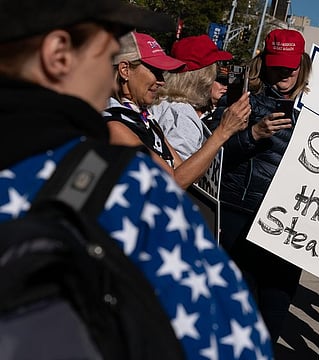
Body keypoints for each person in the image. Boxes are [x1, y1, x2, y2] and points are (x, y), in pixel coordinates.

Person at [0, 2, 273, 359]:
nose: (111, 73)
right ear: (58, 55)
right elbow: (236, 342)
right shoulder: (129, 184)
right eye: (107, 55)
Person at [209, 28, 312, 343]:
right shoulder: (241, 99)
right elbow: (211, 151)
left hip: (291, 225)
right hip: (239, 213)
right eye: (278, 64)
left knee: (274, 310)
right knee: (234, 308)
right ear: (264, 63)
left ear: (303, 65)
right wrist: (252, 134)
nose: (285, 72)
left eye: (291, 65)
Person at [104, 31, 251, 190]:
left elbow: (185, 172)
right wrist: (223, 132)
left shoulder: (144, 116)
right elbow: (173, 182)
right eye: (155, 71)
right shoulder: (114, 124)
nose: (162, 81)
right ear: (125, 70)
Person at [153, 34, 235, 160]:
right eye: (214, 72)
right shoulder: (183, 116)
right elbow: (181, 174)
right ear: (203, 77)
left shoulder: (158, 100)